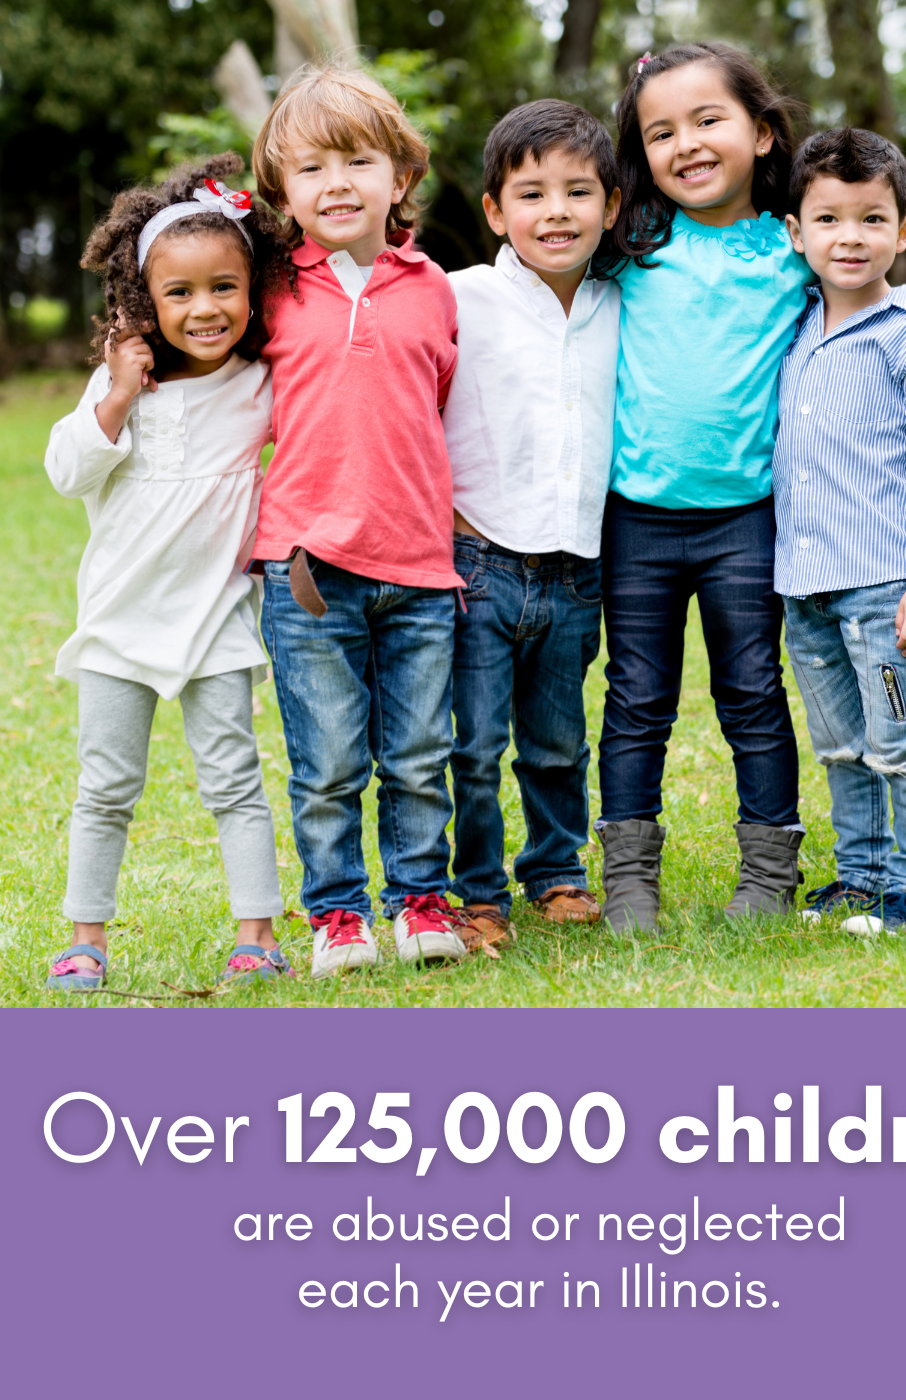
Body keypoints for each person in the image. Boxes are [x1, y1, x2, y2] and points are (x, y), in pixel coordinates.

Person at [591, 43, 906, 931]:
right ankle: (627, 879)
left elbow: (889, 301)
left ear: (763, 133)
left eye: (708, 120)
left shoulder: (791, 248)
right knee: (636, 696)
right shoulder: (630, 247)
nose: (686, 144)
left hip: (748, 524)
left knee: (753, 694)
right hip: (637, 523)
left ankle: (770, 870)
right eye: (661, 132)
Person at [43, 154, 294, 990]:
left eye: (223, 287)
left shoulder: (260, 385)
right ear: (141, 300)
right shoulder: (121, 388)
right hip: (119, 621)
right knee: (106, 785)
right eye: (179, 293)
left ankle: (256, 934)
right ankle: (87, 938)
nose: (204, 308)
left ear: (253, 290)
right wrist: (115, 394)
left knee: (234, 779)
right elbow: (66, 472)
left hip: (215, 617)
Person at [250, 64, 468, 977]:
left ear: (400, 177)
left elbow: (442, 402)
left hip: (419, 565)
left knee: (420, 754)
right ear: (283, 192)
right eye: (311, 170)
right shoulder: (269, 293)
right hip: (307, 568)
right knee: (329, 759)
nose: (336, 184)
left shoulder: (433, 288)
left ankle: (419, 900)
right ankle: (337, 914)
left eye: (357, 161)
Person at [776, 127, 906, 933]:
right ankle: (861, 874)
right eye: (827, 219)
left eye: (870, 219)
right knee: (841, 746)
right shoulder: (789, 327)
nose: (848, 238)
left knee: (901, 744)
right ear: (796, 232)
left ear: (904, 230)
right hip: (804, 589)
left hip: (883, 588)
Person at [441, 100, 621, 953]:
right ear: (494, 210)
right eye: (532, 193)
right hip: (477, 558)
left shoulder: (623, 306)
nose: (556, 212)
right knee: (471, 744)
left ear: (612, 206)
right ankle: (474, 890)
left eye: (578, 192)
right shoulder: (459, 298)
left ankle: (555, 870)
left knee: (556, 739)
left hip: (577, 565)